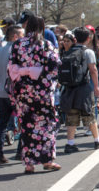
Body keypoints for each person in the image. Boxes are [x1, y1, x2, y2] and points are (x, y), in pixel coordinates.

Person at [9, 15, 61, 173]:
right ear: (42, 27)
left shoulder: (18, 44)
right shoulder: (46, 44)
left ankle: (29, 163)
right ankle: (47, 161)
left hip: (23, 91)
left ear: (27, 26)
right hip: (42, 91)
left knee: (27, 126)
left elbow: (11, 66)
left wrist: (23, 73)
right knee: (46, 125)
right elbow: (54, 66)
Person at [61, 27, 99, 153]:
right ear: (88, 38)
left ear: (75, 38)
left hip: (69, 88)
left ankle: (70, 143)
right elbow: (93, 70)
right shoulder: (88, 52)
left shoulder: (68, 51)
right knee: (89, 114)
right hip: (84, 88)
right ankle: (97, 140)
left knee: (71, 116)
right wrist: (97, 86)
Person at [0, 24, 24, 165]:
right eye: (22, 35)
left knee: (2, 125)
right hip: (16, 92)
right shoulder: (19, 51)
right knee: (24, 122)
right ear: (15, 36)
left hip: (1, 91)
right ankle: (20, 151)